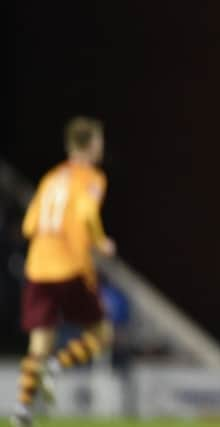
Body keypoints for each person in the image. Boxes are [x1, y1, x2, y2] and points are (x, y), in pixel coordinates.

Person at [10, 116, 117, 427]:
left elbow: (30, 225)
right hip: (70, 267)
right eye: (99, 141)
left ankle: (22, 410)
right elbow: (85, 212)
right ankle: (58, 364)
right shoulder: (92, 178)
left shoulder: (50, 178)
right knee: (100, 335)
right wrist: (101, 243)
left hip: (38, 268)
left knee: (37, 345)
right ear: (91, 144)